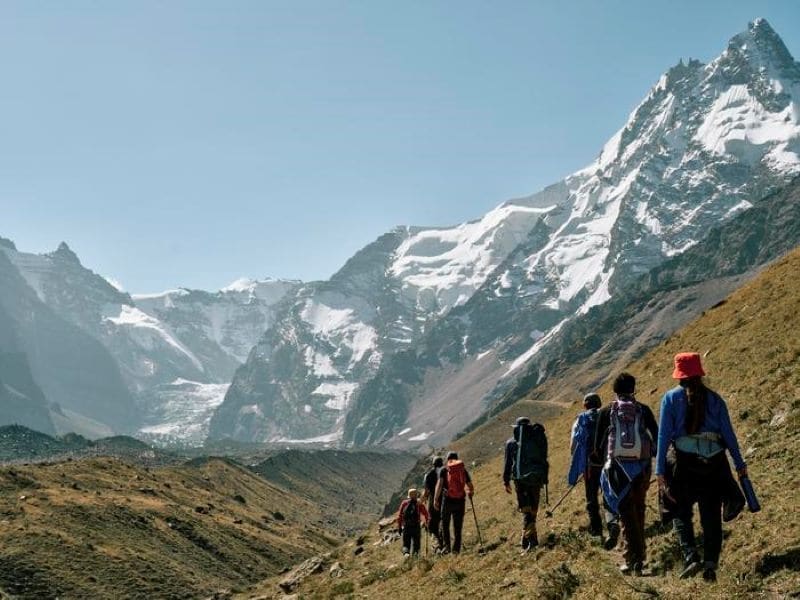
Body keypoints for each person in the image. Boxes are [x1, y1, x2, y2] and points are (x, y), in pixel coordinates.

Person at [656, 353, 748, 583]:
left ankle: (690, 556)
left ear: (679, 376)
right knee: (711, 515)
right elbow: (728, 435)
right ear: (699, 372)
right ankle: (710, 563)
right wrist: (739, 464)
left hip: (683, 465)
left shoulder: (670, 399)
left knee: (679, 511)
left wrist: (659, 471)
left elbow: (664, 436)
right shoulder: (715, 400)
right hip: (714, 464)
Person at [600, 373, 658, 575]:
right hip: (641, 468)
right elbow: (656, 437)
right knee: (639, 509)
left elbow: (597, 444)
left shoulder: (607, 411)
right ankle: (639, 558)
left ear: (615, 390)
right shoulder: (643, 410)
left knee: (625, 513)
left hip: (617, 469)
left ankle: (631, 558)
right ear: (633, 389)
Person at [568, 393, 619, 542]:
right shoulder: (608, 415)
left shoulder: (581, 419)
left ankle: (597, 531)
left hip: (590, 467)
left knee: (591, 499)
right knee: (608, 494)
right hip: (608, 463)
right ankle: (612, 523)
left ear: (585, 405)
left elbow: (573, 446)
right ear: (599, 402)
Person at [503, 417, 548, 552]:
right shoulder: (537, 439)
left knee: (526, 510)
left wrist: (506, 481)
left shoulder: (511, 443)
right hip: (536, 478)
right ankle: (525, 539)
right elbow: (544, 458)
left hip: (520, 480)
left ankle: (531, 543)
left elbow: (507, 464)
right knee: (533, 509)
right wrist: (544, 478)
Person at [434, 451, 474, 554]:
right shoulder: (462, 470)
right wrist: (470, 493)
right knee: (458, 526)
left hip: (447, 501)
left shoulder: (444, 470)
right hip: (460, 501)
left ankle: (447, 547)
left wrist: (435, 499)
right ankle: (456, 550)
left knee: (445, 524)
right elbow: (470, 486)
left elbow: (439, 485)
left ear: (447, 459)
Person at [397, 488, 429, 557]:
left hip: (406, 527)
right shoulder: (419, 504)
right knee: (416, 545)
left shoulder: (404, 503)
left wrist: (399, 527)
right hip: (416, 526)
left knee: (406, 544)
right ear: (416, 495)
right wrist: (427, 524)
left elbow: (399, 516)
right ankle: (415, 558)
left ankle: (406, 554)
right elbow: (426, 514)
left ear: (409, 496)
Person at [420, 456, 444, 549]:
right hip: (445, 500)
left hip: (433, 501)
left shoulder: (429, 475)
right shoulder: (445, 472)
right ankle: (445, 541)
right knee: (443, 521)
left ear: (433, 464)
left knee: (433, 523)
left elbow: (426, 491)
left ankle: (437, 545)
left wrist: (423, 499)